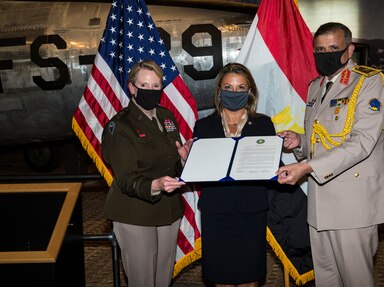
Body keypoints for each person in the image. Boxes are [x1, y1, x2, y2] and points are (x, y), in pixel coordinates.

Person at [276, 22, 384, 287]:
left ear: (349, 50)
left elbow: (362, 142)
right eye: (319, 49)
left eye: (333, 48)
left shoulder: (369, 82)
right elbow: (322, 138)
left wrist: (307, 168)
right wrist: (299, 142)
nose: (325, 54)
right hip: (320, 203)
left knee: (356, 280)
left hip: (353, 204)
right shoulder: (316, 86)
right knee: (326, 279)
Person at [101, 60, 192, 287]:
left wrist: (182, 157)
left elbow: (172, 164)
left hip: (168, 210)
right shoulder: (120, 126)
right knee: (142, 280)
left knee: (163, 278)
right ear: (132, 87)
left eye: (155, 87)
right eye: (144, 85)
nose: (150, 91)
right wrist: (156, 185)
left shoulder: (166, 117)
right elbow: (125, 178)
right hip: (135, 213)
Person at [193, 63, 276, 287]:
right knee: (221, 278)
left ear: (250, 92)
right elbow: (198, 169)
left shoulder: (264, 124)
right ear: (219, 91)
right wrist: (186, 159)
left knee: (250, 277)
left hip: (251, 211)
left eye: (241, 88)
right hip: (216, 212)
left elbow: (270, 167)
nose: (234, 92)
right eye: (228, 87)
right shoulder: (203, 127)